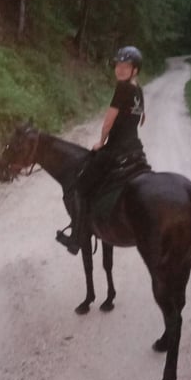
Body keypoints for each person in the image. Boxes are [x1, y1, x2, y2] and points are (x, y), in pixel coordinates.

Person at [56, 46, 146, 254]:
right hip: (136, 149)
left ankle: (77, 236)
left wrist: (101, 141)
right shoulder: (138, 90)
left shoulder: (123, 88)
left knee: (81, 184)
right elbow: (142, 118)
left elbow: (108, 122)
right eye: (118, 65)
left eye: (126, 66)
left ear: (135, 69)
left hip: (116, 150)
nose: (120, 69)